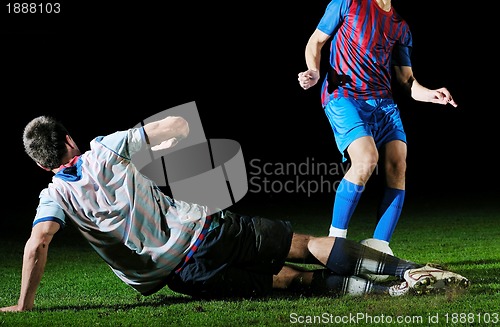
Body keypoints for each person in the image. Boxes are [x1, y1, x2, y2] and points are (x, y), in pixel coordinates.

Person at [1, 115, 469, 312]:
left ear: (42, 163)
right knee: (303, 245)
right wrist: (159, 144)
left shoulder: (52, 198)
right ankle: (408, 271)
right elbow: (178, 127)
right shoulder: (106, 148)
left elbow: (38, 243)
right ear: (68, 141)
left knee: (294, 282)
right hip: (206, 230)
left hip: (185, 275)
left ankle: (390, 299)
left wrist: (24, 304)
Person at [297, 0, 459, 247]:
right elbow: (316, 41)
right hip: (344, 96)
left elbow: (406, 80)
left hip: (383, 103)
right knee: (366, 159)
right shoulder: (347, 4)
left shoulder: (400, 27)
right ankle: (334, 242)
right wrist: (315, 71)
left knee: (398, 165)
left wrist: (430, 93)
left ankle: (380, 249)